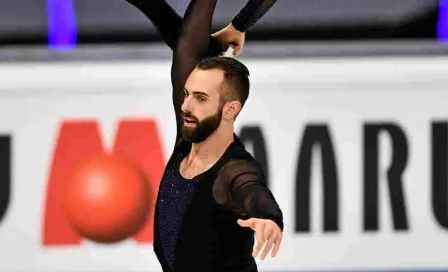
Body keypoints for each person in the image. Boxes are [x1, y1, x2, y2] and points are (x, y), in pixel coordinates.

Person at [126, 1, 283, 271]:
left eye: (200, 98)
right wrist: (240, 24)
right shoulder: (189, 141)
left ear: (230, 109)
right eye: (186, 95)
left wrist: (267, 217)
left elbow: (252, 190)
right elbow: (186, 49)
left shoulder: (232, 168)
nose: (185, 106)